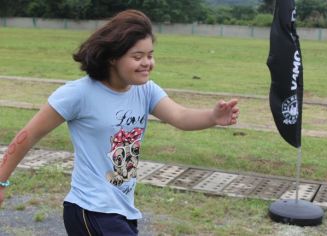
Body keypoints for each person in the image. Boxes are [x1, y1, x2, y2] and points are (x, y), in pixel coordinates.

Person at [0, 9, 239, 235]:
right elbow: (28, 135)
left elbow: (180, 116)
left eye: (150, 55)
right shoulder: (78, 94)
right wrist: (2, 181)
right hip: (90, 209)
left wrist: (212, 117)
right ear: (113, 57)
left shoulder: (145, 90)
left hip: (122, 209)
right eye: (137, 56)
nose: (147, 63)